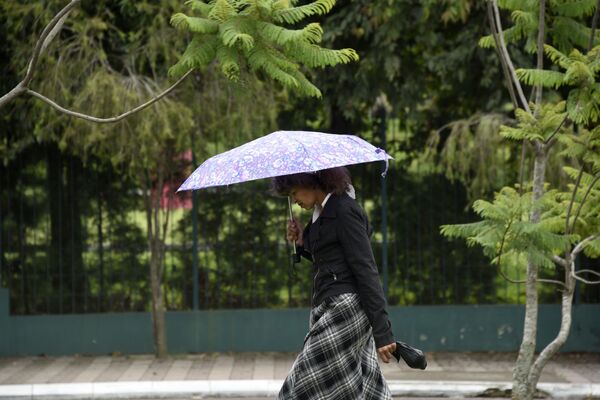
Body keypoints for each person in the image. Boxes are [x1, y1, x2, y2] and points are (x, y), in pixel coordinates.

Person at [272, 166, 396, 400]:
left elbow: (366, 269)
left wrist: (383, 332)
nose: (294, 199)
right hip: (329, 305)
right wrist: (300, 241)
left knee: (299, 387)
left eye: (294, 192)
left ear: (310, 181)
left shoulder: (344, 210)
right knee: (364, 387)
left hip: (346, 309)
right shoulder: (323, 213)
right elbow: (329, 258)